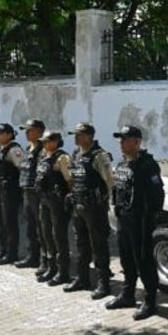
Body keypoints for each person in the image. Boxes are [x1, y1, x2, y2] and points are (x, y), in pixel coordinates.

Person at [106, 125, 164, 321]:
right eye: (120, 139)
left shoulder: (147, 165)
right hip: (124, 219)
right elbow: (117, 188)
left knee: (143, 261)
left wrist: (149, 217)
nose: (121, 143)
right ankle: (127, 294)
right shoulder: (122, 164)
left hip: (140, 221)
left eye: (125, 139)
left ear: (137, 142)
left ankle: (150, 301)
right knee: (126, 259)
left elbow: (157, 195)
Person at [64, 122, 114, 299]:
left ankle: (103, 283)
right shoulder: (76, 154)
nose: (76, 138)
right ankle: (82, 278)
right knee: (81, 243)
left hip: (95, 208)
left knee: (99, 244)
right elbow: (73, 178)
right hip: (78, 206)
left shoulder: (99, 156)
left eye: (79, 135)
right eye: (74, 135)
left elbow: (110, 181)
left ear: (90, 136)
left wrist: (111, 205)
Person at [34, 130, 72, 286]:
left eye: (48, 141)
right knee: (46, 234)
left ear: (56, 141)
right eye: (43, 142)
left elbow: (69, 180)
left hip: (57, 201)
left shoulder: (62, 158)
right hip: (44, 200)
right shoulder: (44, 156)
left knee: (59, 236)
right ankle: (52, 267)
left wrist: (69, 200)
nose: (44, 144)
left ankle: (63, 272)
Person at [0, 123, 25, 265]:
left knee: (10, 222)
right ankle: (3, 250)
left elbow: (23, 168)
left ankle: (12, 253)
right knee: (1, 222)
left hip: (10, 191)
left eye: (1, 133)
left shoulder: (14, 150)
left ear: (9, 134)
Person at [14, 119, 45, 270]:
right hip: (27, 193)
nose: (26, 133)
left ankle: (46, 260)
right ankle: (32, 256)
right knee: (30, 228)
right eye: (25, 130)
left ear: (39, 132)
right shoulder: (28, 148)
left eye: (30, 130)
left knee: (42, 228)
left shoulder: (43, 150)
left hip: (38, 195)